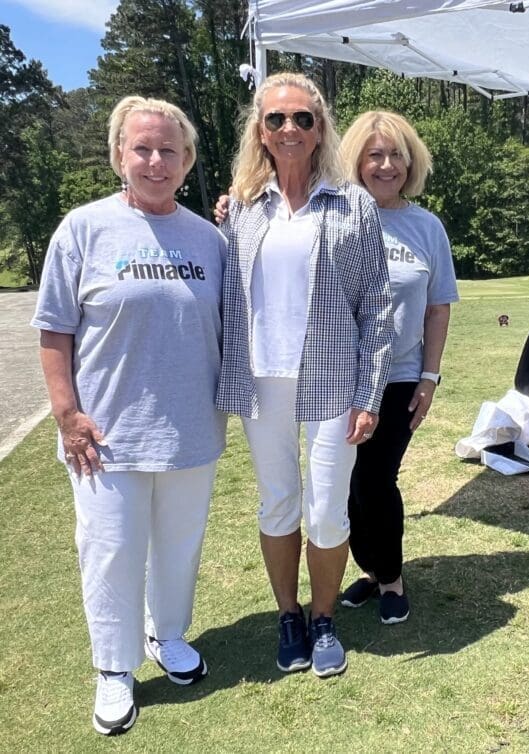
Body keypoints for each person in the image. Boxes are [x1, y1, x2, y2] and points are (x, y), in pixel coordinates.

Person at [31, 96, 226, 736]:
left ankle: (167, 634)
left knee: (178, 547)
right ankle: (114, 667)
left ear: (187, 160)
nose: (155, 161)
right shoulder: (83, 228)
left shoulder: (209, 239)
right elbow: (54, 330)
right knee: (111, 551)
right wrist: (66, 414)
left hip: (191, 429)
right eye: (142, 148)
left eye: (169, 150)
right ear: (119, 154)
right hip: (105, 436)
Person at [216, 73, 393, 678]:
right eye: (276, 119)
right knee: (277, 504)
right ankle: (288, 615)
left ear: (320, 129)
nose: (289, 128)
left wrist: (370, 395)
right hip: (261, 381)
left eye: (302, 118)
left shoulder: (354, 204)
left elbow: (377, 307)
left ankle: (323, 619)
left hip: (332, 381)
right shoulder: (241, 208)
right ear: (260, 131)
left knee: (327, 512)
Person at [336, 111, 459, 625]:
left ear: (411, 163)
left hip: (401, 376)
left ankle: (390, 578)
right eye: (375, 155)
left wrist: (430, 377)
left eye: (396, 156)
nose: (387, 165)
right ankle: (368, 569)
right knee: (345, 485)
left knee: (375, 479)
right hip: (338, 378)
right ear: (356, 161)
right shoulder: (336, 215)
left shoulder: (426, 226)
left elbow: (438, 308)